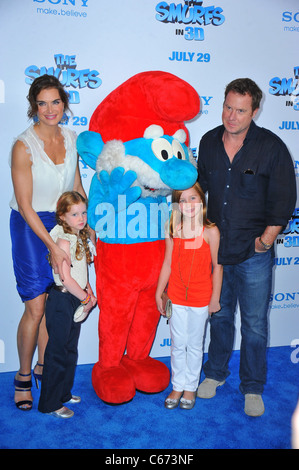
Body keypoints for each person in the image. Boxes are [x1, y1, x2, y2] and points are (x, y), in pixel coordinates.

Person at [197, 78, 296, 416]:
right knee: (220, 316)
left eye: (240, 110)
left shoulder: (272, 147)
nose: (232, 116)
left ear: (255, 111)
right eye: (228, 107)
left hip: (255, 254)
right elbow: (197, 190)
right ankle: (215, 373)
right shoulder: (208, 142)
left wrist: (266, 241)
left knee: (254, 324)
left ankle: (252, 386)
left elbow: (284, 201)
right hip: (217, 253)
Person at [10, 74, 86, 411]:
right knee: (36, 305)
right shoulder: (22, 145)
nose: (50, 109)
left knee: (56, 304)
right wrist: (53, 247)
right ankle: (23, 376)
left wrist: (85, 228)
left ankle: (46, 369)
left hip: (63, 225)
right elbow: (25, 206)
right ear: (33, 106)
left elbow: (77, 188)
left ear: (64, 104)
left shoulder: (71, 138)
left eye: (55, 102)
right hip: (30, 227)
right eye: (42, 103)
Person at [155, 182, 223, 410]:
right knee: (177, 344)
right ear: (176, 204)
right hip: (175, 296)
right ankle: (177, 385)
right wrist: (159, 292)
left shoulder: (211, 230)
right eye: (182, 200)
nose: (188, 204)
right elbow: (167, 263)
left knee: (194, 344)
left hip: (201, 297)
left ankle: (190, 387)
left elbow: (217, 266)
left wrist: (215, 299)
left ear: (201, 200)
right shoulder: (172, 227)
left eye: (192, 198)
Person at [38, 191, 96, 418]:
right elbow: (65, 278)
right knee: (57, 353)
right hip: (63, 299)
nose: (81, 218)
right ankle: (50, 403)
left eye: (83, 213)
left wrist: (88, 291)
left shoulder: (78, 235)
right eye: (74, 214)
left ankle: (63, 393)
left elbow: (82, 272)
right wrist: (84, 298)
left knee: (70, 350)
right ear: (62, 216)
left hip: (75, 297)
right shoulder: (62, 239)